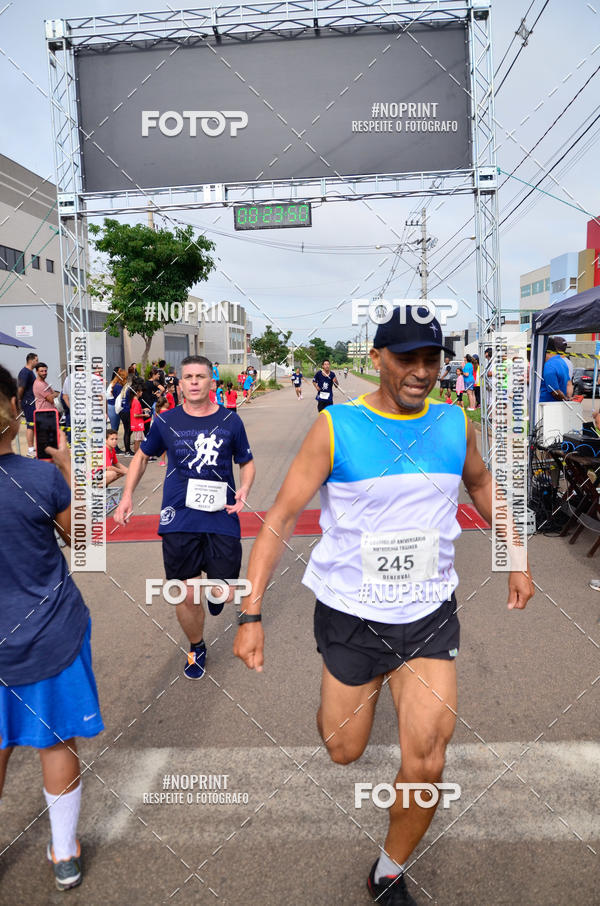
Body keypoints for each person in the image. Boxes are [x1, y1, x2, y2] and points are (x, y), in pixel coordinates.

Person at [233, 305, 534, 906]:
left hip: (427, 615)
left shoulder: (454, 423)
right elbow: (282, 518)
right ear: (377, 358)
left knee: (426, 759)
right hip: (351, 613)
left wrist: (515, 551)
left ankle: (389, 871)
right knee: (344, 750)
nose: (421, 371)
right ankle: (347, 697)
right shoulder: (337, 426)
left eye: (432, 359)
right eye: (407, 358)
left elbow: (478, 481)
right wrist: (251, 612)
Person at [0, 365, 104, 892]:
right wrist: (68, 467)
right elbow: (86, 545)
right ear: (15, 413)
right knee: (56, 740)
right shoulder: (39, 479)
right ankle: (64, 853)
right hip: (50, 634)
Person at [113, 356, 256, 679]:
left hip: (221, 515)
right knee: (185, 591)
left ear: (211, 383)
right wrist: (127, 496)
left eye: (200, 376)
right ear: (179, 384)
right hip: (179, 516)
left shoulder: (230, 422)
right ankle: (197, 645)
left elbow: (246, 461)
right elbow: (142, 457)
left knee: (224, 592)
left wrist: (244, 488)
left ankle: (218, 592)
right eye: (188, 377)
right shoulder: (166, 421)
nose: (193, 382)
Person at [17, 351, 38, 456]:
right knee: (30, 425)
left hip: (33, 402)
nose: (37, 362)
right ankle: (30, 449)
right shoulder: (25, 372)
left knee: (33, 425)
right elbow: (21, 388)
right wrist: (19, 401)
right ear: (31, 360)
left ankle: (34, 447)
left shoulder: (30, 372)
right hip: (28, 402)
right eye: (36, 360)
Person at [539, 338, 570, 402]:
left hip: (547, 406)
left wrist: (566, 400)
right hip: (557, 405)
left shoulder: (549, 365)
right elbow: (567, 384)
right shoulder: (563, 362)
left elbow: (555, 392)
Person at [106, 369, 126, 439]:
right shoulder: (118, 386)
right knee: (114, 428)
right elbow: (120, 399)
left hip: (111, 406)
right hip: (113, 407)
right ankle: (114, 447)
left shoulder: (114, 383)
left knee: (114, 427)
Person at [129, 382, 149, 454]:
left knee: (140, 439)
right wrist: (144, 415)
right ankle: (137, 455)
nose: (142, 392)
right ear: (137, 392)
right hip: (138, 424)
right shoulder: (136, 402)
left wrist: (143, 410)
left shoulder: (134, 401)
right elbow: (135, 415)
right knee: (137, 440)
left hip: (136, 423)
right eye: (141, 391)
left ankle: (140, 454)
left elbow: (136, 411)